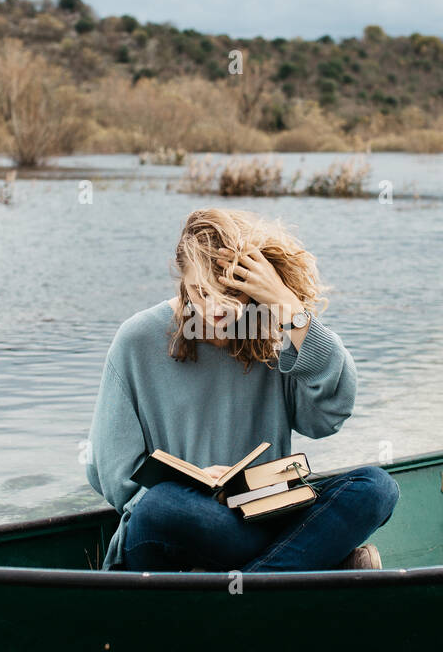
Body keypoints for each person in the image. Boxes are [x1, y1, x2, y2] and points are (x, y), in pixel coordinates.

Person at [84, 207, 399, 572]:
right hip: (181, 528)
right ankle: (295, 570)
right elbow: (108, 468)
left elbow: (329, 415)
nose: (215, 308)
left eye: (230, 291)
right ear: (182, 281)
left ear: (253, 283)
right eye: (200, 291)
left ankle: (248, 587)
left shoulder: (271, 332)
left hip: (263, 521)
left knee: (376, 488)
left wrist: (290, 309)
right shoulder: (137, 340)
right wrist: (199, 488)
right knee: (160, 505)